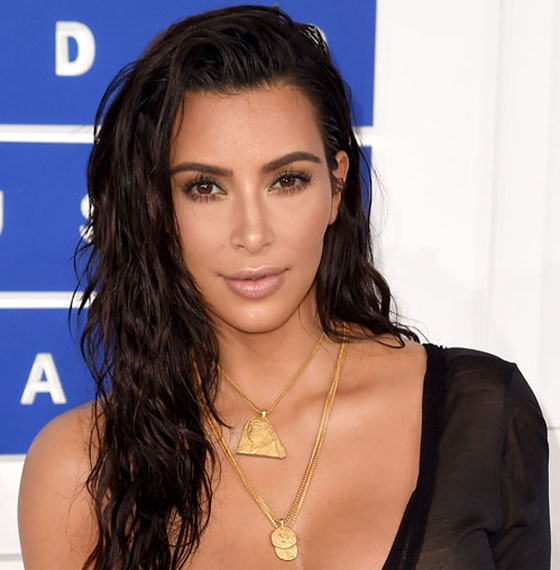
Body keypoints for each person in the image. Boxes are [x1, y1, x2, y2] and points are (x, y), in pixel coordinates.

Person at [17, 4, 550, 569]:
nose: (253, 234)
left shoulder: (482, 415)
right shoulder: (77, 472)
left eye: (287, 180)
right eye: (205, 187)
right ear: (157, 208)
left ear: (336, 186)